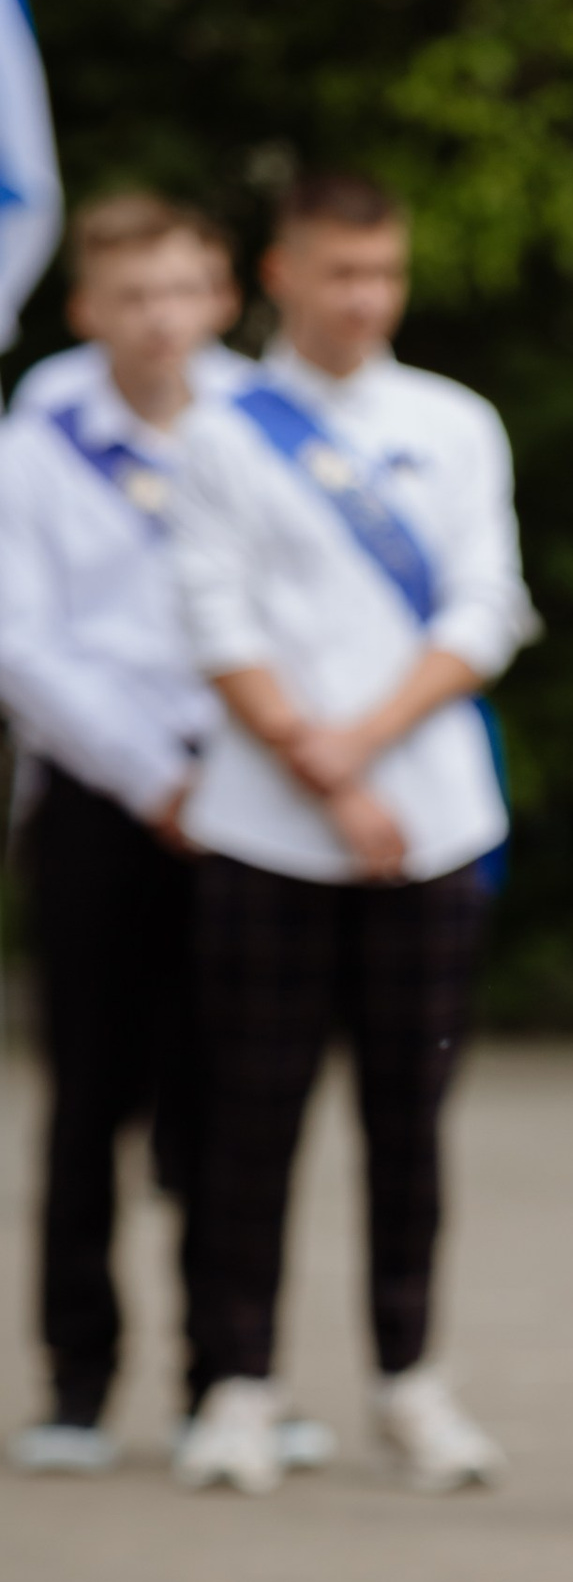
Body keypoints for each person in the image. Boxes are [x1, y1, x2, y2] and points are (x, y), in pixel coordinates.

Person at [164, 170, 535, 1495]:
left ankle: (407, 1379)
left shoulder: (455, 422)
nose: (365, 299)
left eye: (384, 274)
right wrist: (319, 771)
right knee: (247, 1115)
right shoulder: (217, 431)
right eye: (339, 274)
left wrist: (362, 749)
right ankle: (237, 1384)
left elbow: (486, 611)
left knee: (409, 1118)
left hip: (424, 823)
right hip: (268, 827)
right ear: (282, 273)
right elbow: (218, 621)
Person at [0, 194, 243, 1469]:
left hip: (253, 799)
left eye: (184, 290)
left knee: (230, 1098)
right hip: (101, 801)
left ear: (223, 298)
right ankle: (77, 1381)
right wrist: (152, 778)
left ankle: (226, 1380)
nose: (161, 320)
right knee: (91, 1097)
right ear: (88, 308)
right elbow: (22, 642)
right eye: (133, 296)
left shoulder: (261, 423)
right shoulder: (39, 443)